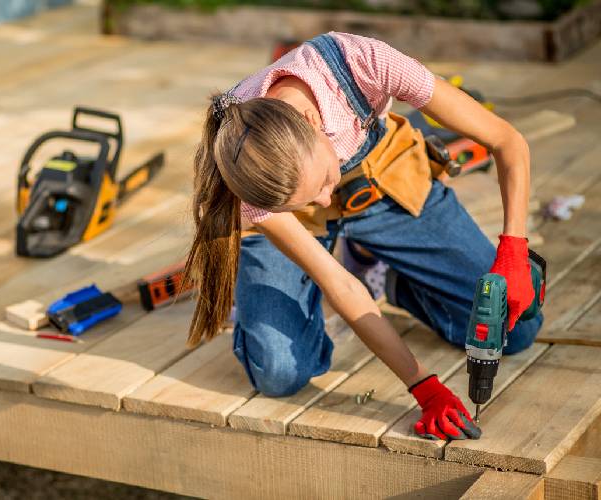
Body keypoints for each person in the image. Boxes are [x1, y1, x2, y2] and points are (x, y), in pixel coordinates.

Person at [184, 32, 543, 441]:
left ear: (312, 121)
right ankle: (319, 274)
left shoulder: (363, 63)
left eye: (321, 181)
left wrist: (513, 248)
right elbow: (338, 282)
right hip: (292, 218)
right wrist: (423, 386)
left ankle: (393, 278)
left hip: (384, 181)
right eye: (311, 196)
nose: (322, 200)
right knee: (279, 373)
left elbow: (507, 140)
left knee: (515, 331)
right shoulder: (247, 176)